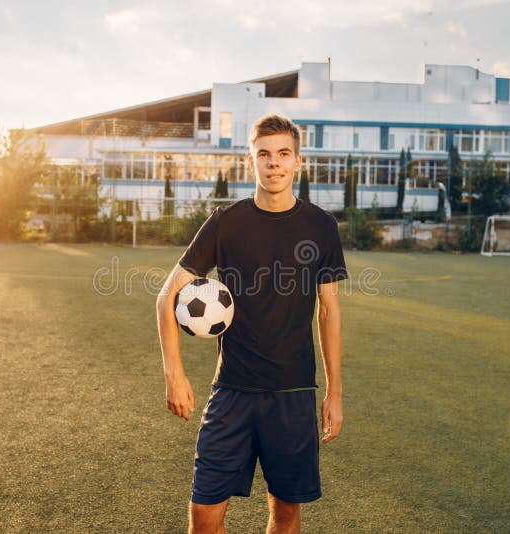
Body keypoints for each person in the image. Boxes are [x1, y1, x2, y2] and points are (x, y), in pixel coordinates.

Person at [155, 114, 347, 533]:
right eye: (264, 154)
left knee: (285, 514)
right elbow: (167, 295)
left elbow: (329, 312)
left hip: (293, 394)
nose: (274, 163)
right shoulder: (226, 222)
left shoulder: (322, 226)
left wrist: (334, 393)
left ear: (298, 161)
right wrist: (174, 374)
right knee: (204, 516)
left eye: (283, 154)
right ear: (251, 162)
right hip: (232, 393)